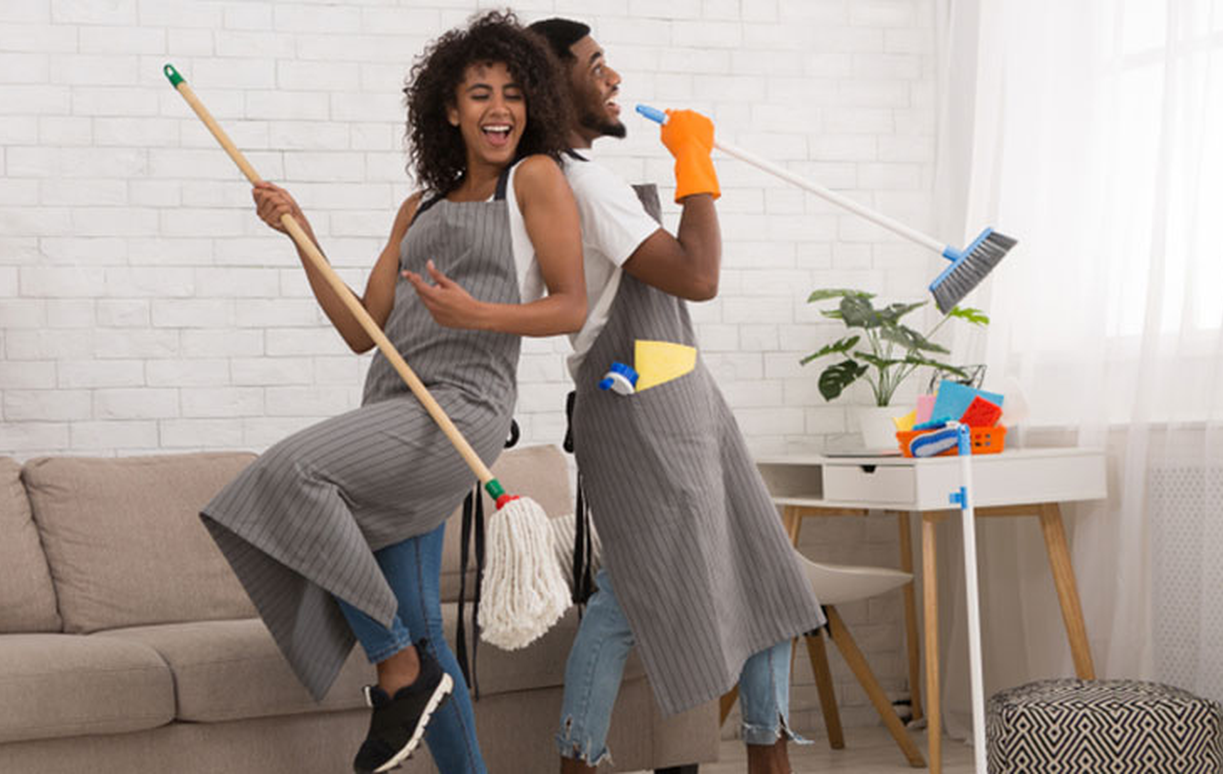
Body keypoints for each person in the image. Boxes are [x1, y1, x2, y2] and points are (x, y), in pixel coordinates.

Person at [198, 12, 584, 774]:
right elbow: (360, 329)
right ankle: (420, 682)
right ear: (450, 108)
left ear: (531, 104)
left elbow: (570, 304)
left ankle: (394, 667)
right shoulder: (418, 208)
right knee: (427, 631)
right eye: (478, 94)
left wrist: (476, 313)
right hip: (392, 408)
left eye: (511, 92)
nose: (497, 108)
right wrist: (299, 234)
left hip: (461, 411)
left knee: (291, 473)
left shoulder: (534, 180)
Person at [525, 17, 827, 774]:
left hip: (684, 399)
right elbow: (698, 275)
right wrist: (695, 169)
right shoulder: (580, 181)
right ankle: (579, 758)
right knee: (632, 593)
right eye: (595, 66)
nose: (613, 78)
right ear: (553, 85)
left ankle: (770, 749)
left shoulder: (582, 177)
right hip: (641, 416)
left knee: (768, 575)